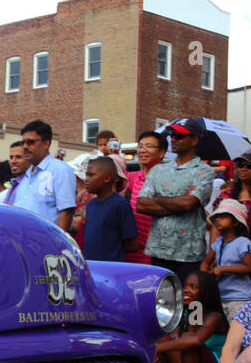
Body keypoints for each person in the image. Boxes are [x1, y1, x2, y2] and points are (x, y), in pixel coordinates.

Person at [136, 118, 215, 283]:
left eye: (179, 136)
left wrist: (157, 199)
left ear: (194, 140)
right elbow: (142, 204)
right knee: (159, 300)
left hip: (188, 254)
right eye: (172, 134)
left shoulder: (205, 171)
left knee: (187, 301)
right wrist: (178, 204)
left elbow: (189, 203)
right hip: (158, 250)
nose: (173, 139)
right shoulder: (158, 169)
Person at [156, 270, 228, 363]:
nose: (186, 290)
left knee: (191, 344)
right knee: (163, 337)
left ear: (206, 292)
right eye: (185, 286)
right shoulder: (192, 311)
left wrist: (155, 349)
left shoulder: (214, 317)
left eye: (193, 287)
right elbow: (189, 334)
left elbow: (195, 340)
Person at [12, 120, 77, 229]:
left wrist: (57, 244)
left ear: (46, 144)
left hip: (46, 242)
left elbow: (67, 211)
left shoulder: (60, 170)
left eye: (30, 142)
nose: (25, 146)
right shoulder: (27, 175)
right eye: (23, 142)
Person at [201, 198, 251, 321]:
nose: (218, 219)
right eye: (217, 217)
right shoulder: (218, 242)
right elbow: (206, 261)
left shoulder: (242, 242)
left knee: (238, 333)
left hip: (239, 298)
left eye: (223, 217)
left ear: (235, 222)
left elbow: (250, 267)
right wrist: (205, 276)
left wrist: (223, 268)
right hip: (221, 296)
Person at [77, 155, 138, 263]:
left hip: (110, 269)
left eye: (91, 175)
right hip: (90, 266)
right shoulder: (90, 205)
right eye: (86, 175)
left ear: (107, 178)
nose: (86, 179)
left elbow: (132, 244)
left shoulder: (119, 205)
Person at [125, 130, 166, 266]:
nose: (142, 150)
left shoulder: (167, 180)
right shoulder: (134, 177)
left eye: (149, 146)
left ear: (161, 152)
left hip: (155, 250)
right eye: (140, 146)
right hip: (132, 248)